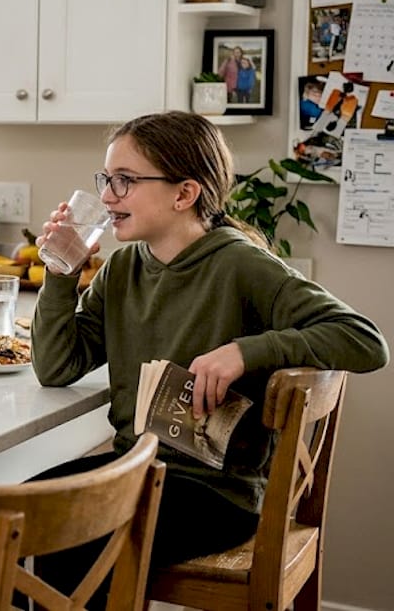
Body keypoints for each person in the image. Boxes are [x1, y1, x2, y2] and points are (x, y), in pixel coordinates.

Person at [28, 111, 388, 609]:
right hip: (136, 468)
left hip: (216, 493)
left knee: (68, 547)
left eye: (125, 180)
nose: (108, 196)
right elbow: (56, 367)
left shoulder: (241, 265)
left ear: (184, 194)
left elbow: (366, 340)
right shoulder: (123, 268)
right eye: (106, 179)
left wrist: (247, 351)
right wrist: (61, 272)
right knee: (12, 521)